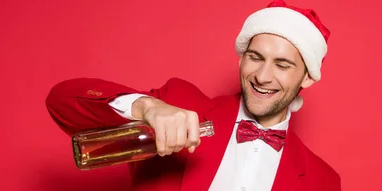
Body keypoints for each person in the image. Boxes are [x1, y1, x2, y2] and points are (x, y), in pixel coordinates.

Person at [45, 0, 340, 190]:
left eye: (282, 64)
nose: (262, 76)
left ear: (308, 77)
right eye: (255, 57)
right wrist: (146, 107)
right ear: (241, 58)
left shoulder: (323, 181)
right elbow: (61, 102)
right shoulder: (179, 103)